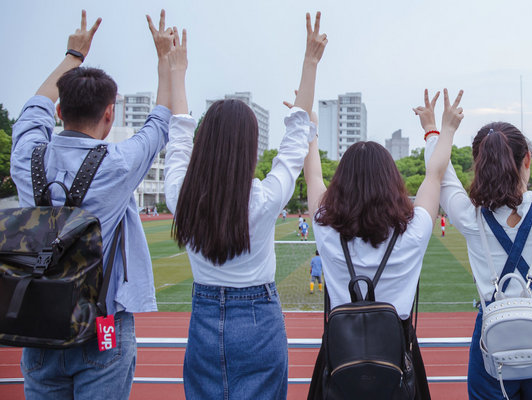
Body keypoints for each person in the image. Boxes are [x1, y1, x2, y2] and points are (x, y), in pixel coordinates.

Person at [9, 10, 179, 399]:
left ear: (59, 113)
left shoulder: (25, 159)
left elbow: (35, 105)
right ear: (109, 114)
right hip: (101, 326)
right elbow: (162, 119)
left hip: (37, 325)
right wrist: (164, 59)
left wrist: (73, 54)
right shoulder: (118, 165)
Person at [164, 12, 327, 399]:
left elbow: (179, 134)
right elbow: (295, 139)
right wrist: (310, 62)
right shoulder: (264, 199)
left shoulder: (179, 194)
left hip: (203, 320)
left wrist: (177, 71)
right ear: (250, 149)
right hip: (258, 321)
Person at [424, 56, 532, 400]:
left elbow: (442, 177)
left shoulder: (470, 218)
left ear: (478, 164)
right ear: (528, 160)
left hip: (492, 340)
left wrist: (435, 130)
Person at [301, 88, 464, 399]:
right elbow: (436, 174)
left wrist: (310, 126)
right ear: (392, 181)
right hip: (397, 355)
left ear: (341, 184)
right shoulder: (413, 230)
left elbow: (313, 177)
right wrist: (442, 130)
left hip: (340, 356)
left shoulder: (325, 227)